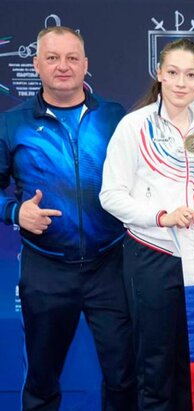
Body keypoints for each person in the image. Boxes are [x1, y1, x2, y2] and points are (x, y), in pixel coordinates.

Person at [0, 26, 134, 410]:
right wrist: (15, 211)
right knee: (42, 382)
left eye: (72, 58)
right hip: (46, 270)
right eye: (53, 58)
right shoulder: (12, 124)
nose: (63, 66)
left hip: (111, 266)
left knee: (124, 379)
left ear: (86, 64)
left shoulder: (114, 116)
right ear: (36, 64)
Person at [100, 39, 194, 410]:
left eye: (190, 75)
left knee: (190, 362)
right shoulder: (134, 126)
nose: (181, 83)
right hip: (151, 253)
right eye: (173, 73)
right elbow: (110, 195)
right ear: (159, 74)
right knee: (154, 364)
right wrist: (161, 216)